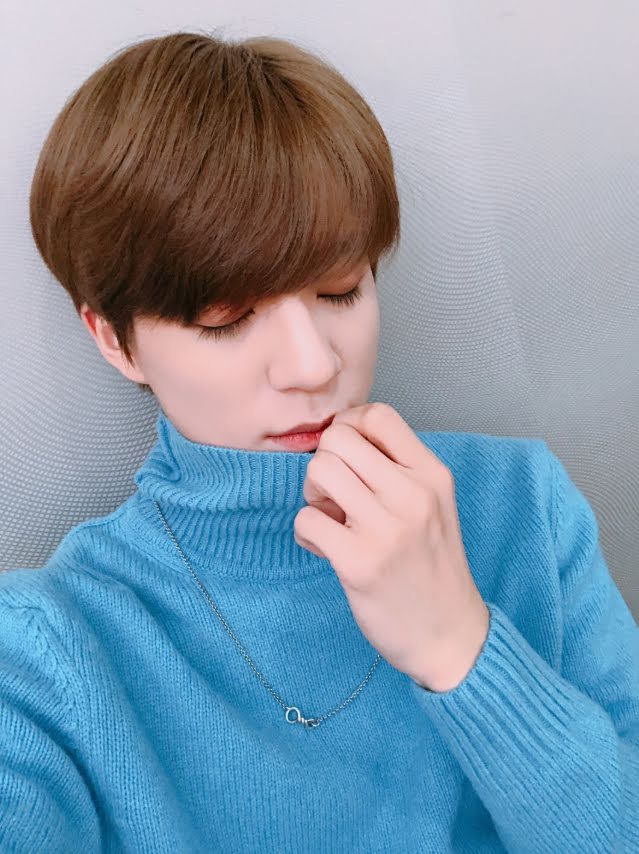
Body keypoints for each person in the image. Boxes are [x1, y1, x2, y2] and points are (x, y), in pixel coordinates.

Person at [2, 28, 637, 853]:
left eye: (339, 291)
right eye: (226, 318)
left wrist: (461, 648)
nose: (313, 366)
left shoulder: (520, 507)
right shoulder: (47, 648)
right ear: (114, 340)